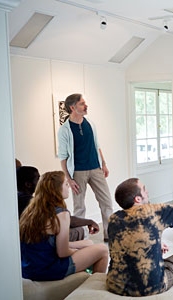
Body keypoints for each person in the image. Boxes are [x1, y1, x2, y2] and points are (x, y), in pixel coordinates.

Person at [106, 178, 173, 296]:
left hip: (115, 285)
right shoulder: (154, 211)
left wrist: (156, 244)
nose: (147, 192)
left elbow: (127, 242)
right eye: (144, 189)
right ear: (137, 199)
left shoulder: (113, 219)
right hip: (151, 287)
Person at [19, 171, 108, 281]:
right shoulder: (61, 214)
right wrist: (78, 252)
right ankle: (93, 288)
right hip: (46, 269)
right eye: (66, 184)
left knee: (88, 243)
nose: (69, 187)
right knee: (103, 249)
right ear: (56, 189)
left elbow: (47, 242)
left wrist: (81, 247)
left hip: (29, 268)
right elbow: (63, 252)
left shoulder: (31, 210)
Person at [58, 93, 113, 242]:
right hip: (78, 172)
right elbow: (63, 158)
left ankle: (109, 235)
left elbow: (97, 146)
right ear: (72, 107)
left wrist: (104, 163)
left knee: (107, 202)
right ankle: (81, 237)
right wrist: (69, 179)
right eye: (82, 103)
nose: (85, 105)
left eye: (84, 103)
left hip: (96, 169)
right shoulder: (65, 130)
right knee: (79, 207)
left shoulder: (90, 124)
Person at [17, 165, 100, 241]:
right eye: (66, 184)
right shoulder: (30, 203)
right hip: (43, 245)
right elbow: (67, 221)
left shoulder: (23, 199)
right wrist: (89, 222)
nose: (68, 187)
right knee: (83, 231)